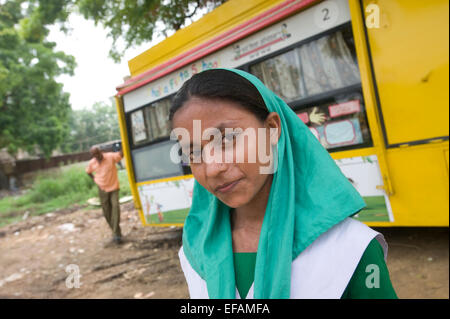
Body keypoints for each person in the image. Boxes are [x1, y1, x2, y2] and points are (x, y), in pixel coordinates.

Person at [170, 68, 397, 299]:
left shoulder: (351, 248)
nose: (213, 167)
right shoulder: (194, 253)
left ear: (271, 129)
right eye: (194, 152)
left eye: (227, 139)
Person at [86, 146, 124, 245]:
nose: (97, 156)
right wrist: (95, 179)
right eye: (94, 154)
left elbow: (121, 154)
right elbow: (88, 172)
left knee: (115, 207)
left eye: (98, 153)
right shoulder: (92, 163)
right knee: (107, 212)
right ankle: (117, 233)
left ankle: (116, 234)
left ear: (101, 151)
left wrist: (125, 141)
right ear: (92, 155)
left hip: (114, 187)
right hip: (102, 189)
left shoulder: (110, 156)